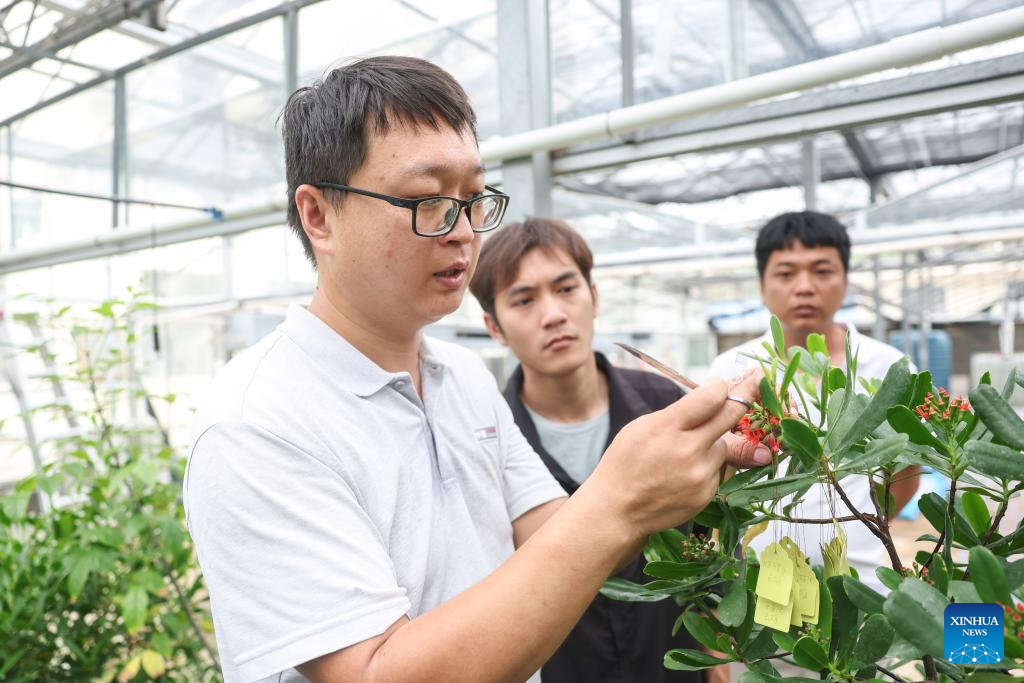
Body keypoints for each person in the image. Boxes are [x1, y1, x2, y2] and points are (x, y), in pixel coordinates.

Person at [183, 55, 767, 683]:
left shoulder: (460, 376)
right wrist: (618, 500)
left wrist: (695, 462)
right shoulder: (259, 423)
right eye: (426, 200)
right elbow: (373, 672)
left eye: (471, 199)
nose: (462, 231)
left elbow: (551, 530)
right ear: (319, 216)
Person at [470, 216, 727, 683]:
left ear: (594, 295)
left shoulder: (665, 408)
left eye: (566, 288)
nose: (553, 314)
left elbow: (713, 531)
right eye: (524, 300)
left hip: (671, 665)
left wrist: (717, 646)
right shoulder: (486, 439)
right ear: (494, 326)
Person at [708, 210, 920, 591]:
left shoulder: (890, 367)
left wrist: (864, 524)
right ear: (762, 285)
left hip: (863, 580)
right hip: (759, 586)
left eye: (822, 271)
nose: (805, 287)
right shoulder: (731, 370)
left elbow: (906, 471)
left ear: (845, 280)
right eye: (786, 273)